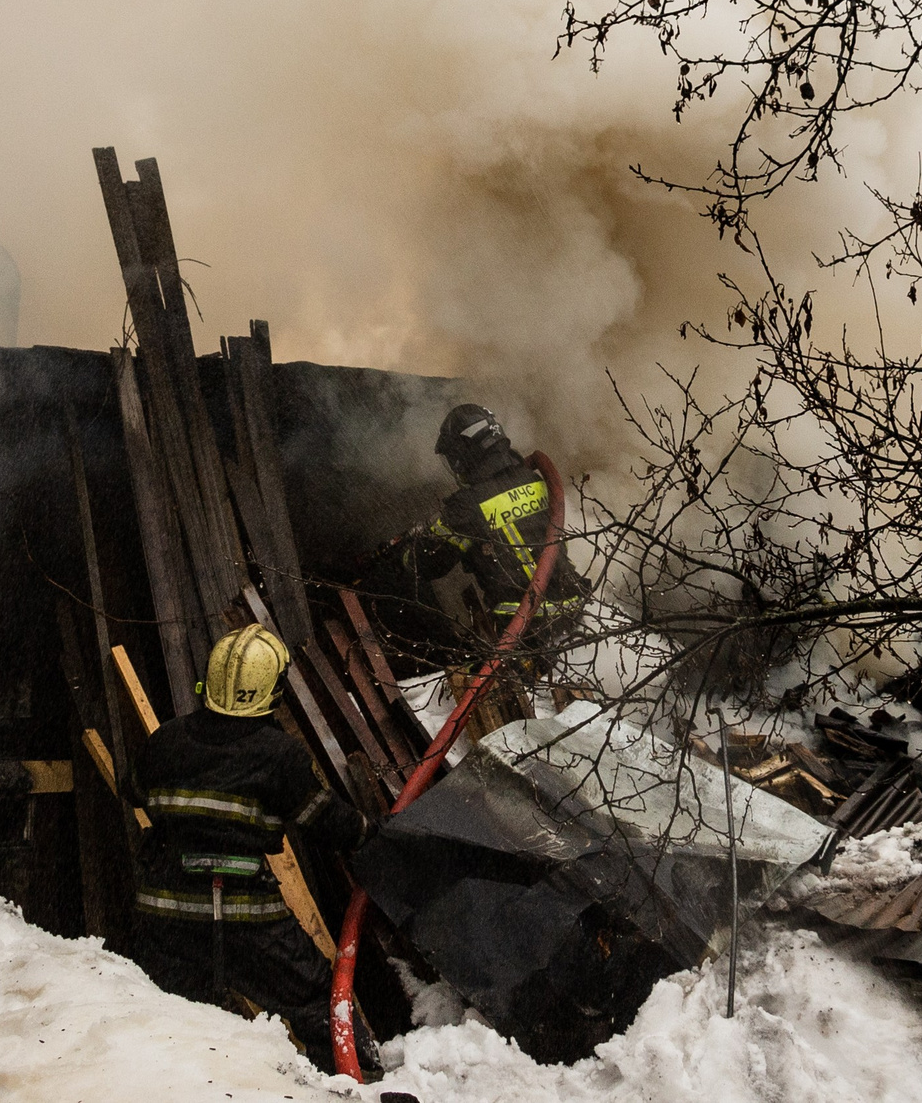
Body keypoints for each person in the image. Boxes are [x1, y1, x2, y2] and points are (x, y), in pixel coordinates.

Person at [127, 625, 371, 1063]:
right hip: (245, 916)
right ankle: (358, 1083)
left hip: (164, 914)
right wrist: (368, 831)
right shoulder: (279, 755)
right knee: (318, 1000)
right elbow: (326, 823)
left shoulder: (165, 740)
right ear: (273, 689)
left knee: (168, 1018)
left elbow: (132, 789)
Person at [400, 403, 582, 641]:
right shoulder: (534, 479)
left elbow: (424, 564)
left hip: (525, 633)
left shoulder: (468, 506)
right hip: (576, 612)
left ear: (465, 452)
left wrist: (413, 547)